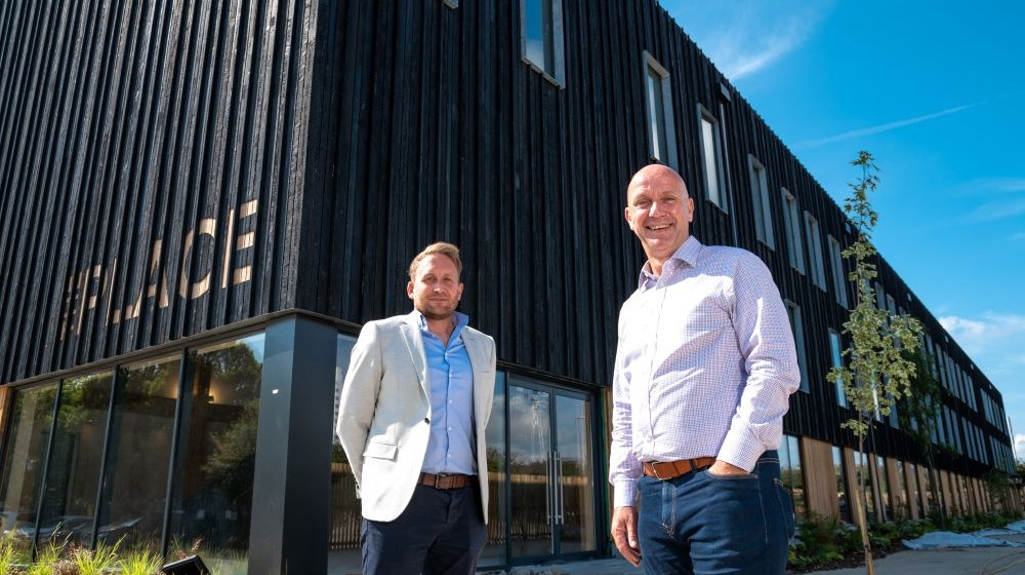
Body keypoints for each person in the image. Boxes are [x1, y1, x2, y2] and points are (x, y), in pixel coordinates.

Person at [609, 163, 801, 575]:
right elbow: (624, 408)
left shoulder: (735, 268)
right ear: (629, 217)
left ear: (691, 209)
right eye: (642, 202)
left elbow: (774, 366)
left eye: (669, 200)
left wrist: (731, 465)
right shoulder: (632, 308)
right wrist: (624, 494)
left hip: (730, 488)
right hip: (654, 497)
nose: (656, 211)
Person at [336, 242, 497, 575]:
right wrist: (377, 485)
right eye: (429, 279)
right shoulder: (381, 334)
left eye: (448, 279)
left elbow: (479, 420)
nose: (439, 287)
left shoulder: (483, 346)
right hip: (401, 503)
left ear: (460, 290)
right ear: (412, 288)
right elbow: (352, 421)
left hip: (465, 506)